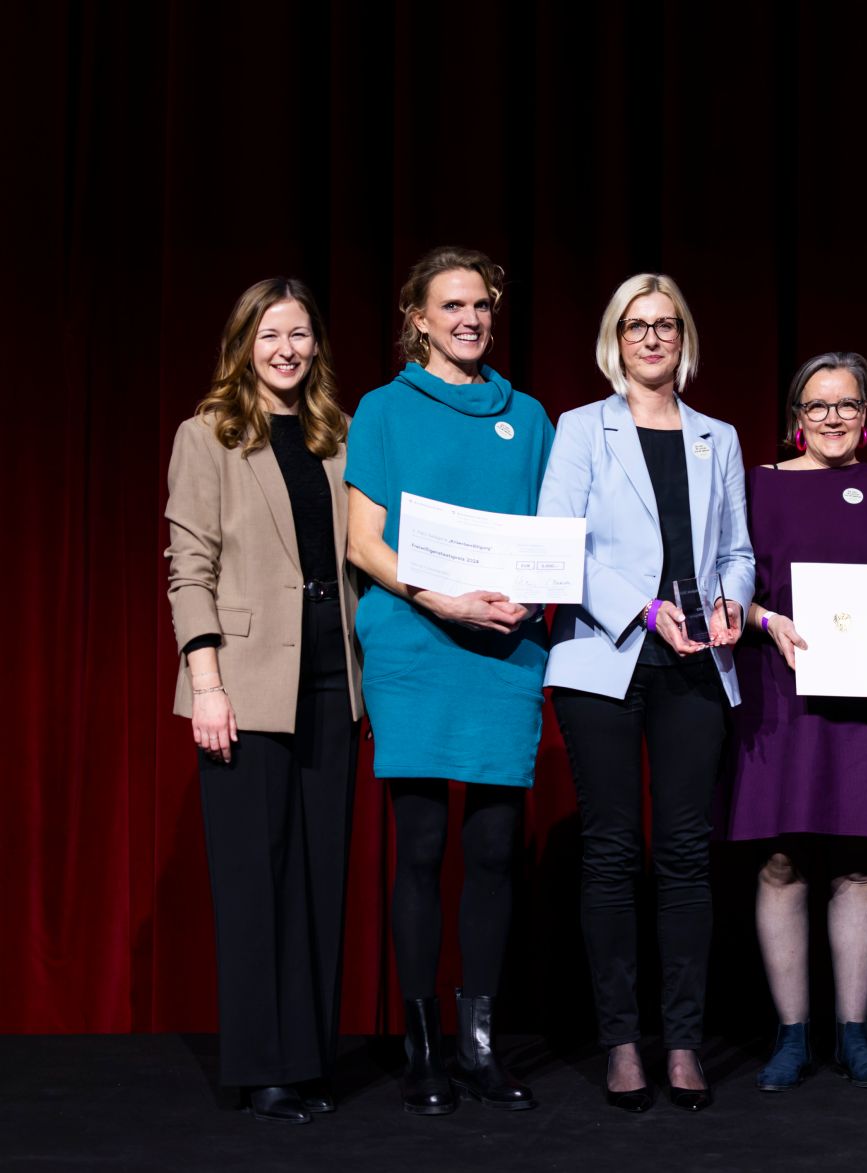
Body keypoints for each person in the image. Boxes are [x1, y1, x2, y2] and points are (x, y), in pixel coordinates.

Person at [344, 246, 553, 1115]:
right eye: (451, 306)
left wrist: (526, 598)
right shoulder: (383, 410)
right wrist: (446, 601)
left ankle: (478, 1046)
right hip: (417, 644)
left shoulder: (530, 414)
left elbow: (554, 531)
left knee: (497, 849)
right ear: (418, 319)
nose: (469, 319)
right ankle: (421, 1048)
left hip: (506, 650)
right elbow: (363, 542)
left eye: (480, 305)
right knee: (423, 847)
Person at [538, 274, 754, 1113]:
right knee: (612, 850)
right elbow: (559, 548)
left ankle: (685, 1039)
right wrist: (644, 606)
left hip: (698, 664)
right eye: (638, 326)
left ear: (684, 338)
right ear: (616, 339)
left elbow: (737, 548)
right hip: (603, 656)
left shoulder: (718, 436)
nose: (654, 338)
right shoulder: (580, 428)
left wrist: (731, 595)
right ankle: (622, 1039)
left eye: (667, 325)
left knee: (688, 854)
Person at [165, 278, 361, 1125]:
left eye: (303, 334)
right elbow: (188, 568)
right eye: (272, 334)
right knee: (256, 880)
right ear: (244, 341)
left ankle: (309, 1055)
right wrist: (206, 684)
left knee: (320, 877)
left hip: (332, 680)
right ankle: (262, 1065)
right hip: (242, 686)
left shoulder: (338, 435)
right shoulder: (207, 434)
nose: (288, 349)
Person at [724, 352, 867, 1092]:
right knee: (781, 860)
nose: (833, 417)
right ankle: (792, 1035)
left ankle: (854, 1033)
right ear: (795, 418)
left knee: (858, 863)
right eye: (817, 405)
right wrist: (765, 619)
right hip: (781, 698)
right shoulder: (755, 486)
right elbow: (731, 586)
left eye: (847, 404)